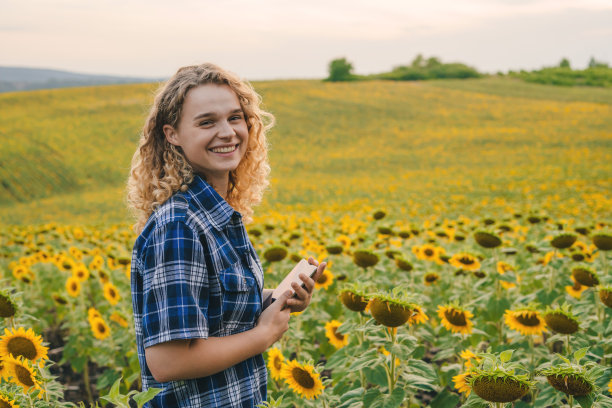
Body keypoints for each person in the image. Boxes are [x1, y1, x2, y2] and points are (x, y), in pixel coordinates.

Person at [126, 63, 326, 407]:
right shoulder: (181, 225)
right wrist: (263, 335)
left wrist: (277, 299)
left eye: (235, 117)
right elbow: (168, 361)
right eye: (207, 122)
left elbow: (215, 313)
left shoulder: (216, 215)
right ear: (172, 134)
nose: (228, 132)